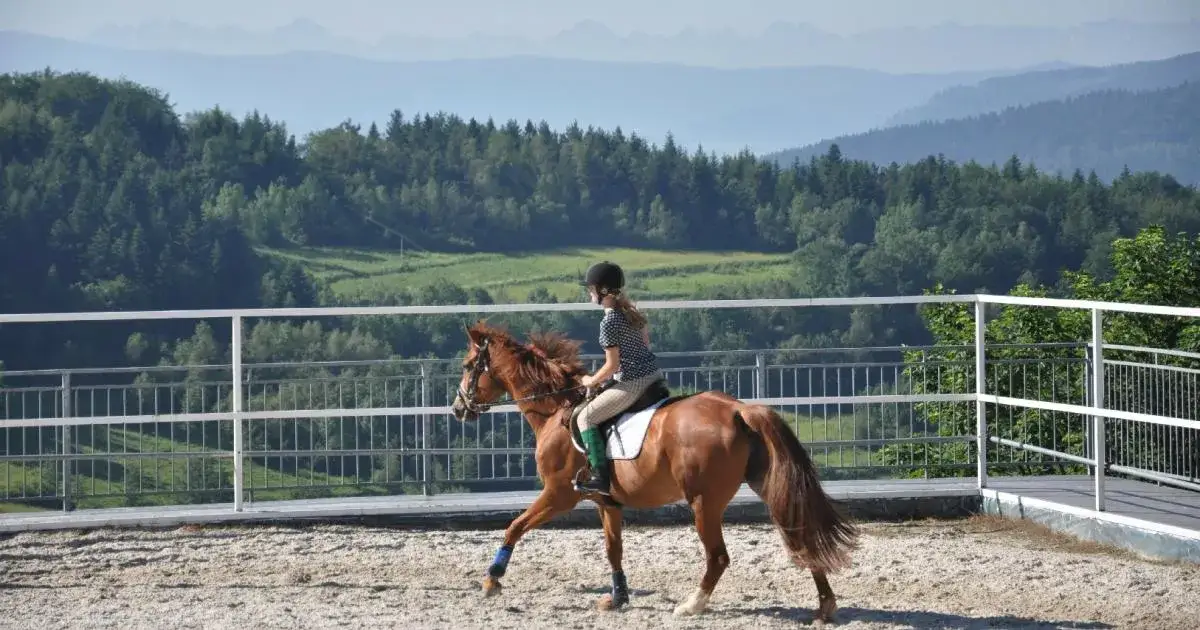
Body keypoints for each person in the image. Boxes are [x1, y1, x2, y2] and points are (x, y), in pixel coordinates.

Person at [574, 261, 662, 495]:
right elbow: (645, 345)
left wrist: (590, 381)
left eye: (591, 288)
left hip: (632, 382)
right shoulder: (632, 312)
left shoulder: (609, 321)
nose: (588, 292)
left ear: (602, 291)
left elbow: (612, 365)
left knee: (586, 418)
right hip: (653, 375)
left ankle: (599, 477)